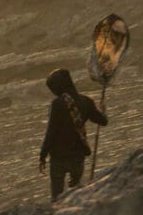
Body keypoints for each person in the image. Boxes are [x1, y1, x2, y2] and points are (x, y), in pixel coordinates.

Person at [39, 68, 108, 201]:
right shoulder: (87, 102)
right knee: (76, 196)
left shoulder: (57, 104)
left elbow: (51, 132)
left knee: (56, 199)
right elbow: (103, 121)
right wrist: (102, 110)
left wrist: (43, 155)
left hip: (58, 158)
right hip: (77, 157)